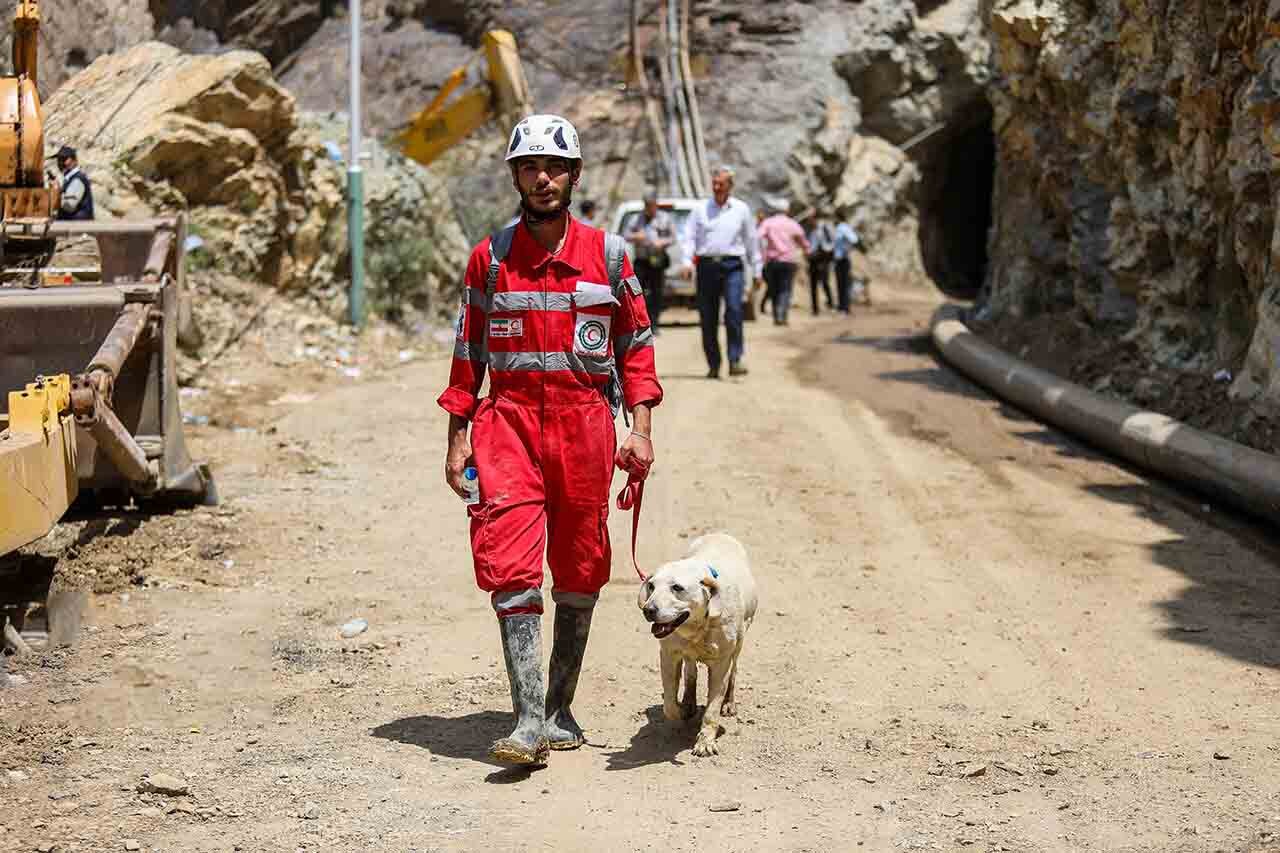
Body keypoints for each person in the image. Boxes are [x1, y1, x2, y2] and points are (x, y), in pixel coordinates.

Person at [439, 114, 663, 766]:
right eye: (531, 166)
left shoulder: (611, 256)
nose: (544, 178)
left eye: (556, 167)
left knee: (580, 565)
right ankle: (529, 719)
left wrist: (639, 430)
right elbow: (466, 353)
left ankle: (560, 706)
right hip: (506, 425)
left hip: (585, 425)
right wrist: (458, 437)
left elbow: (638, 352)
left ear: (574, 175)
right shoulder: (490, 258)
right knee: (508, 561)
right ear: (514, 175)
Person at [680, 166, 762, 378]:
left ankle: (735, 360)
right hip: (706, 266)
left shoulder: (741, 209)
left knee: (734, 310)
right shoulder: (700, 209)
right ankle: (714, 364)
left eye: (721, 184)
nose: (717, 187)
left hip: (733, 265)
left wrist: (757, 270)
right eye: (714, 183)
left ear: (730, 186)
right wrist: (687, 262)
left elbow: (751, 241)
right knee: (708, 317)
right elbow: (689, 236)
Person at [625, 192, 675, 333]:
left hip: (657, 260)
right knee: (637, 292)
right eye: (647, 205)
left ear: (655, 204)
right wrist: (636, 236)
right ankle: (640, 322)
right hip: (641, 260)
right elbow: (626, 235)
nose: (649, 208)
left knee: (657, 292)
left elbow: (673, 237)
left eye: (651, 205)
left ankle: (655, 323)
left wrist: (662, 242)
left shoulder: (665, 218)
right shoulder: (636, 219)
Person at [756, 198, 810, 326]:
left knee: (774, 288)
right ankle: (782, 315)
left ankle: (777, 315)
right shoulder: (792, 224)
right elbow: (802, 239)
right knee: (785, 289)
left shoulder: (768, 223)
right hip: (788, 261)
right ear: (787, 210)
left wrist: (760, 254)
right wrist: (806, 249)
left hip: (772, 261)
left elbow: (757, 236)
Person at [805, 213, 835, 315]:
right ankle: (815, 309)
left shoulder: (824, 228)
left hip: (823, 258)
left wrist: (825, 252)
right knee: (813, 284)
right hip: (813, 259)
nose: (809, 222)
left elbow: (831, 243)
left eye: (811, 219)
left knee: (825, 282)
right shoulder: (810, 231)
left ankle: (831, 304)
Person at [54, 145, 94, 221]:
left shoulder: (77, 180)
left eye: (64, 159)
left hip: (78, 227)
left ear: (75, 161)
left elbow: (69, 206)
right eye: (59, 160)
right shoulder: (70, 179)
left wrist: (56, 192)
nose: (60, 163)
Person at [832, 217, 861, 314]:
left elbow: (854, 239)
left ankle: (845, 307)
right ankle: (842, 306)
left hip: (843, 259)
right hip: (839, 259)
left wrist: (846, 248)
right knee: (840, 283)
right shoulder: (839, 228)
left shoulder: (843, 227)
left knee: (844, 284)